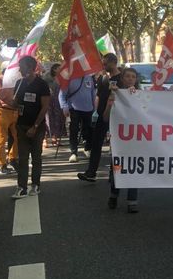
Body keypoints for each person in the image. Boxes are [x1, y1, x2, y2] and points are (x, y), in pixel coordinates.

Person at [11, 56, 50, 199]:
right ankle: (21, 187)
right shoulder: (19, 83)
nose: (19, 69)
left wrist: (35, 126)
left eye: (22, 66)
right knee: (22, 158)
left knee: (36, 157)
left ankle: (36, 185)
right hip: (21, 126)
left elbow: (45, 107)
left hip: (37, 127)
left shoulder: (42, 84)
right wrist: (10, 102)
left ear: (30, 68)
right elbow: (15, 104)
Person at [78, 53, 121, 182]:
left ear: (114, 62)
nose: (104, 65)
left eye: (106, 63)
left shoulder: (121, 78)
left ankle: (116, 174)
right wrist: (95, 111)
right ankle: (91, 172)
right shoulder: (102, 78)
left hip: (116, 115)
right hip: (101, 114)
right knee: (96, 142)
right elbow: (98, 95)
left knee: (117, 145)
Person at [104, 67, 140, 213]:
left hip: (137, 137)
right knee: (117, 168)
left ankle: (132, 200)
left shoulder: (140, 95)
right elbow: (105, 117)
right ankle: (114, 194)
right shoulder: (114, 94)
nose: (130, 79)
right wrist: (111, 102)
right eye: (128, 76)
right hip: (119, 138)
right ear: (122, 79)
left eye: (133, 76)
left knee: (134, 166)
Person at [59, 74, 96, 162]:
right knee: (74, 130)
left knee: (89, 130)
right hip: (74, 108)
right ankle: (73, 153)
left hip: (88, 108)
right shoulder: (69, 78)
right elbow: (61, 94)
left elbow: (92, 93)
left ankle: (87, 148)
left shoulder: (89, 77)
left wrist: (95, 108)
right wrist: (64, 106)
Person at [0, 67, 18, 174]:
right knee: (1, 139)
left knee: (18, 137)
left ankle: (12, 158)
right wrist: (12, 90)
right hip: (2, 111)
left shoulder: (18, 80)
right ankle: (2, 164)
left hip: (15, 111)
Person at [44, 64, 65, 147]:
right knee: (48, 118)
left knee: (58, 118)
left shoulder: (62, 77)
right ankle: (45, 139)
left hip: (58, 100)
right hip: (48, 100)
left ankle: (55, 137)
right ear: (55, 69)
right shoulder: (46, 77)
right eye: (59, 68)